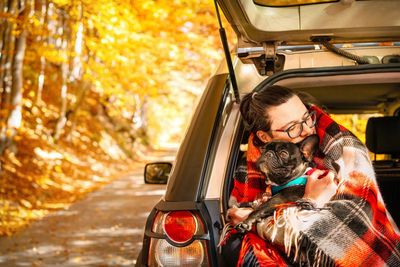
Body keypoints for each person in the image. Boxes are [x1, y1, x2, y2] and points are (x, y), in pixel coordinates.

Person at [220, 85, 400, 266]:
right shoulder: (253, 163)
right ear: (265, 137)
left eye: (307, 118)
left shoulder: (344, 149)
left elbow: (335, 237)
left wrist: (256, 219)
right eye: (292, 128)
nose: (307, 129)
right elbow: (236, 213)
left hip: (361, 256)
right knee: (235, 246)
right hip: (293, 252)